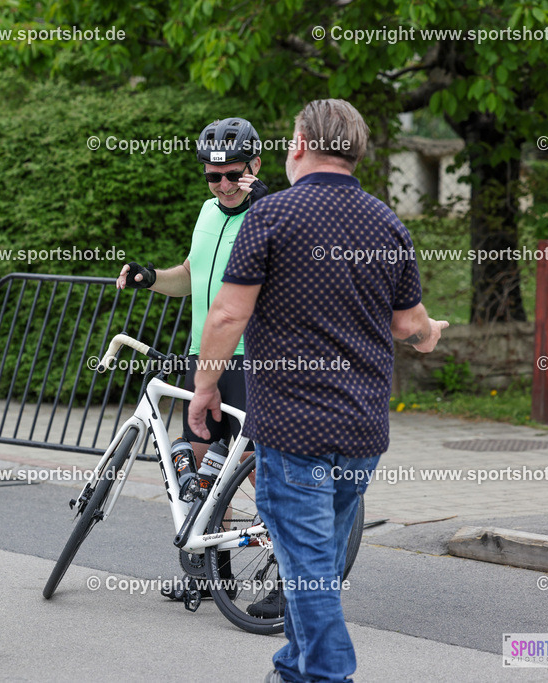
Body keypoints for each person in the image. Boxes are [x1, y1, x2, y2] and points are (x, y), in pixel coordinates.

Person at [187, 99, 447, 682]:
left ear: (300, 143)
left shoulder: (271, 216)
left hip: (293, 429)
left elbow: (228, 315)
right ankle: (293, 668)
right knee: (317, 558)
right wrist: (433, 335)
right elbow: (411, 326)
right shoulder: (387, 223)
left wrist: (205, 386)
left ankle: (329, 674)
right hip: (361, 431)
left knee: (308, 568)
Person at [116, 117, 267, 599]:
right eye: (213, 175)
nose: (223, 185)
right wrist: (149, 278)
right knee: (203, 472)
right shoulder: (206, 212)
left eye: (235, 175)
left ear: (256, 167)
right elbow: (188, 274)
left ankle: (288, 575)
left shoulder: (269, 215)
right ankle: (211, 579)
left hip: (249, 358)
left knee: (253, 472)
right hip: (202, 358)